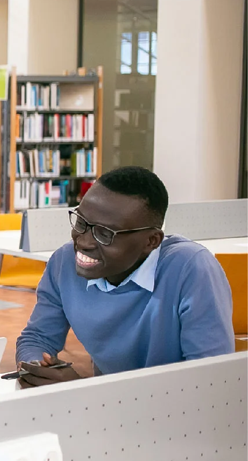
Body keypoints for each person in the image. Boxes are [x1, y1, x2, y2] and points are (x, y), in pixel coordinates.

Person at [15, 166, 235, 388]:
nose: (84, 242)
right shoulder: (64, 262)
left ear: (151, 241)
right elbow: (37, 338)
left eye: (104, 234)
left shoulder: (191, 268)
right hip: (110, 414)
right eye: (81, 222)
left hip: (178, 415)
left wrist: (83, 391)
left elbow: (210, 383)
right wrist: (37, 367)